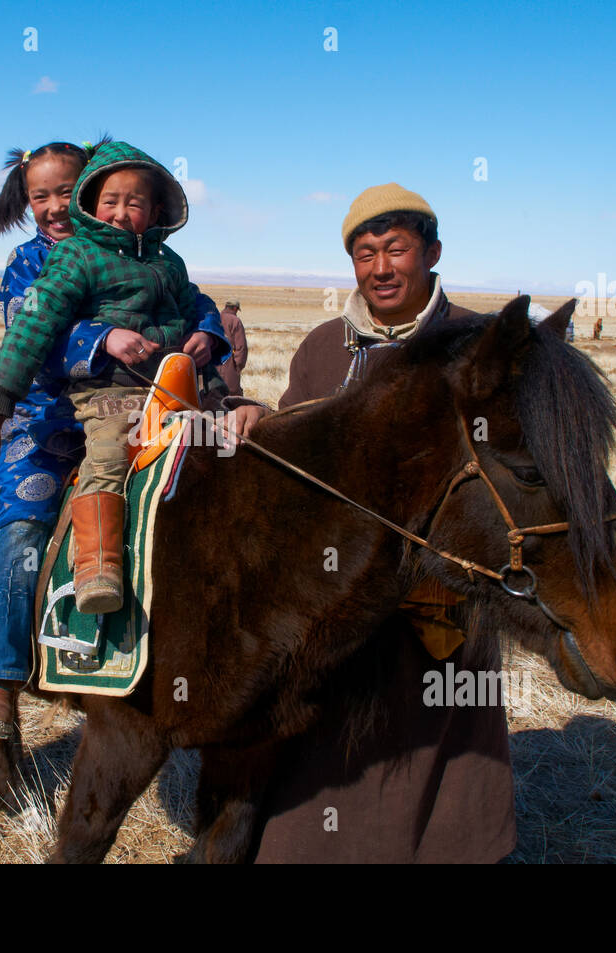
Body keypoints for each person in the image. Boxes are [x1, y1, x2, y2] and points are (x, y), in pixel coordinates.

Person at [227, 183, 517, 863]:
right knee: (330, 732)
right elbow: (297, 450)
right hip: (341, 588)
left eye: (396, 247)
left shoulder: (479, 343)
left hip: (447, 586)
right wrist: (258, 420)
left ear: (432, 251)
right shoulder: (327, 346)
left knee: (445, 725)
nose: (380, 265)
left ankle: (458, 846)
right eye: (364, 252)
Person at [0, 138, 232, 738]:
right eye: (40, 195)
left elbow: (194, 302)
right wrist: (99, 340)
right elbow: (29, 328)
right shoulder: (30, 263)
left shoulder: (152, 257)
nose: (54, 205)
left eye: (64, 190)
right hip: (50, 412)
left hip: (150, 393)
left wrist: (207, 334)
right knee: (24, 516)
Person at [217, 300, 248, 395]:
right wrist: (238, 366)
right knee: (231, 399)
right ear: (235, 308)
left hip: (211, 365)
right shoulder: (235, 321)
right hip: (229, 365)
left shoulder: (216, 317)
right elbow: (241, 347)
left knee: (212, 397)